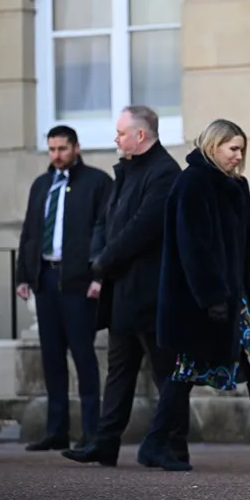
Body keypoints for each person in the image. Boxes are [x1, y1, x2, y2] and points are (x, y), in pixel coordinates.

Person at [137, 119, 250, 472]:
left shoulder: (237, 186)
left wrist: (246, 300)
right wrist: (212, 298)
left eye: (242, 150)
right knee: (185, 372)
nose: (238, 156)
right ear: (213, 146)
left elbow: (244, 253)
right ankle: (154, 443)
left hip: (236, 300)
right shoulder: (192, 182)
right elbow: (193, 246)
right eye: (233, 148)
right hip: (202, 303)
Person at [62, 105, 186, 467]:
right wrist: (98, 257)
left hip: (151, 293)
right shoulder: (128, 171)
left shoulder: (165, 173)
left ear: (141, 135)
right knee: (119, 371)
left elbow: (143, 228)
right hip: (123, 292)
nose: (115, 139)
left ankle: (174, 446)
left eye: (120, 133)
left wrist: (105, 261)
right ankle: (105, 442)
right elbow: (107, 220)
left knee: (167, 373)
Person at [16, 125, 112, 452]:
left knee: (83, 356)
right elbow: (29, 231)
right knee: (51, 357)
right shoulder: (41, 185)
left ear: (76, 147)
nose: (57, 155)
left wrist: (100, 275)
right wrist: (23, 276)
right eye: (52, 149)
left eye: (62, 148)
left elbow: (106, 232)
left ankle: (91, 432)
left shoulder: (97, 183)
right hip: (45, 279)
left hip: (79, 283)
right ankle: (56, 429)